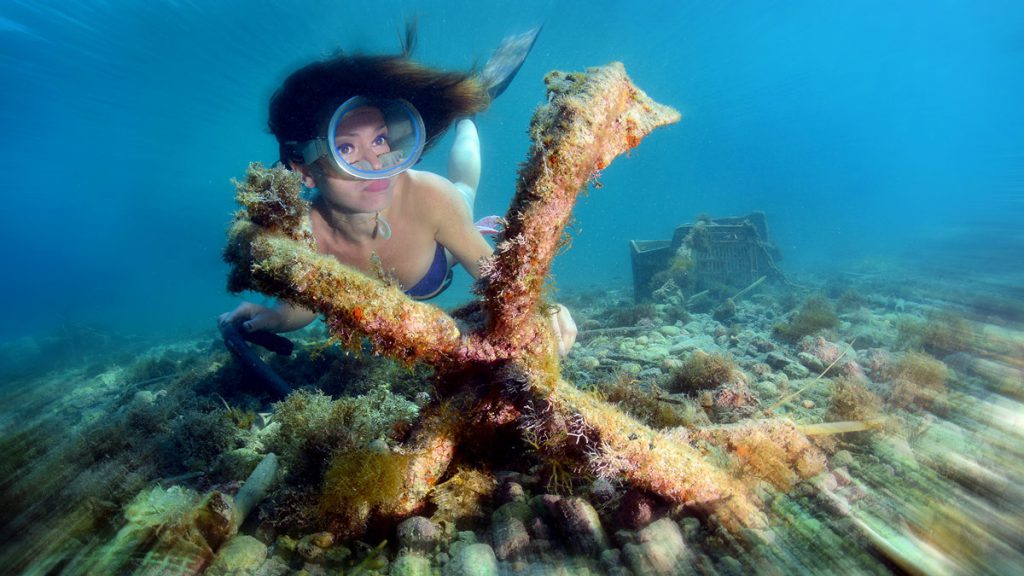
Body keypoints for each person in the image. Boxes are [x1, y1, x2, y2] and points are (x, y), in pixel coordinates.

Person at [219, 30, 577, 355]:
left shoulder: (432, 197)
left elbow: (497, 278)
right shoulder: (307, 233)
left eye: (380, 139)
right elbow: (306, 305)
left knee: (463, 188)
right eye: (345, 149)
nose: (375, 164)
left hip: (443, 249)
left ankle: (471, 115)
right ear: (306, 170)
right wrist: (273, 318)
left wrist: (543, 309)